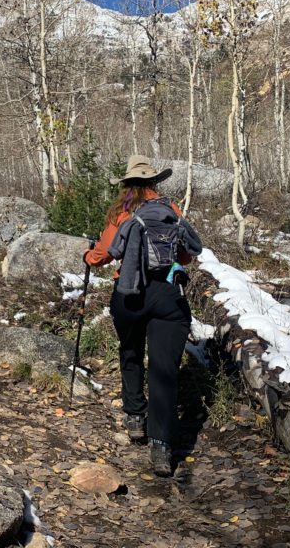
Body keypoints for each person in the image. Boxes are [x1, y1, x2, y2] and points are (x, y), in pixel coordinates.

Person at [83, 154, 195, 477]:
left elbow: (103, 255)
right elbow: (185, 256)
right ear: (154, 182)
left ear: (128, 184)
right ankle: (161, 447)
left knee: (130, 349)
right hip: (167, 296)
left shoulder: (123, 212)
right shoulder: (171, 210)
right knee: (164, 370)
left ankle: (135, 418)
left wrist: (88, 255)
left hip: (129, 294)